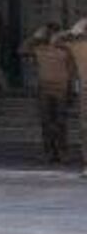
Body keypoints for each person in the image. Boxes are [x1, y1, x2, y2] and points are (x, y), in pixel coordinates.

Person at [23, 22, 74, 165]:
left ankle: (62, 152)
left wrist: (71, 91)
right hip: (44, 90)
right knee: (46, 122)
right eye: (51, 33)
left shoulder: (66, 50)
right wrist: (35, 37)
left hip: (62, 90)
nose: (53, 36)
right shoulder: (40, 49)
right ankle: (49, 152)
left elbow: (71, 72)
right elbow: (22, 50)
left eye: (55, 33)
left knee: (61, 122)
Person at [62, 19, 87, 178]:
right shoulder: (77, 46)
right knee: (85, 128)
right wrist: (77, 27)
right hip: (85, 92)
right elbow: (57, 41)